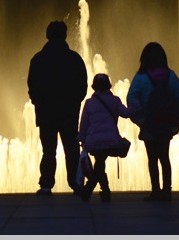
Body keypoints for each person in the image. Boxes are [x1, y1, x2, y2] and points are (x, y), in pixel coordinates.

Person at [28, 20, 88, 196]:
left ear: (47, 36)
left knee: (48, 150)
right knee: (72, 149)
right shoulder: (74, 59)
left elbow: (32, 85)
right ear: (65, 35)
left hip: (46, 113)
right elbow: (82, 86)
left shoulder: (38, 59)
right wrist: (74, 102)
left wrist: (38, 102)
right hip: (69, 112)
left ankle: (46, 184)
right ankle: (76, 183)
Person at [127, 42, 179, 201]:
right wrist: (177, 118)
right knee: (165, 157)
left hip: (149, 125)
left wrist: (140, 120)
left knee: (152, 159)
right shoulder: (171, 77)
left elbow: (132, 98)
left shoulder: (141, 78)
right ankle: (167, 191)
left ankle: (155, 190)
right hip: (166, 125)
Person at [77, 73, 137, 203]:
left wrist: (82, 139)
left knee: (99, 163)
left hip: (94, 142)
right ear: (108, 86)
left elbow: (84, 123)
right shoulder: (115, 101)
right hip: (111, 141)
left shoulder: (89, 103)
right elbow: (126, 114)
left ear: (94, 87)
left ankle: (92, 190)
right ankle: (102, 191)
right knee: (99, 164)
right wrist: (136, 105)